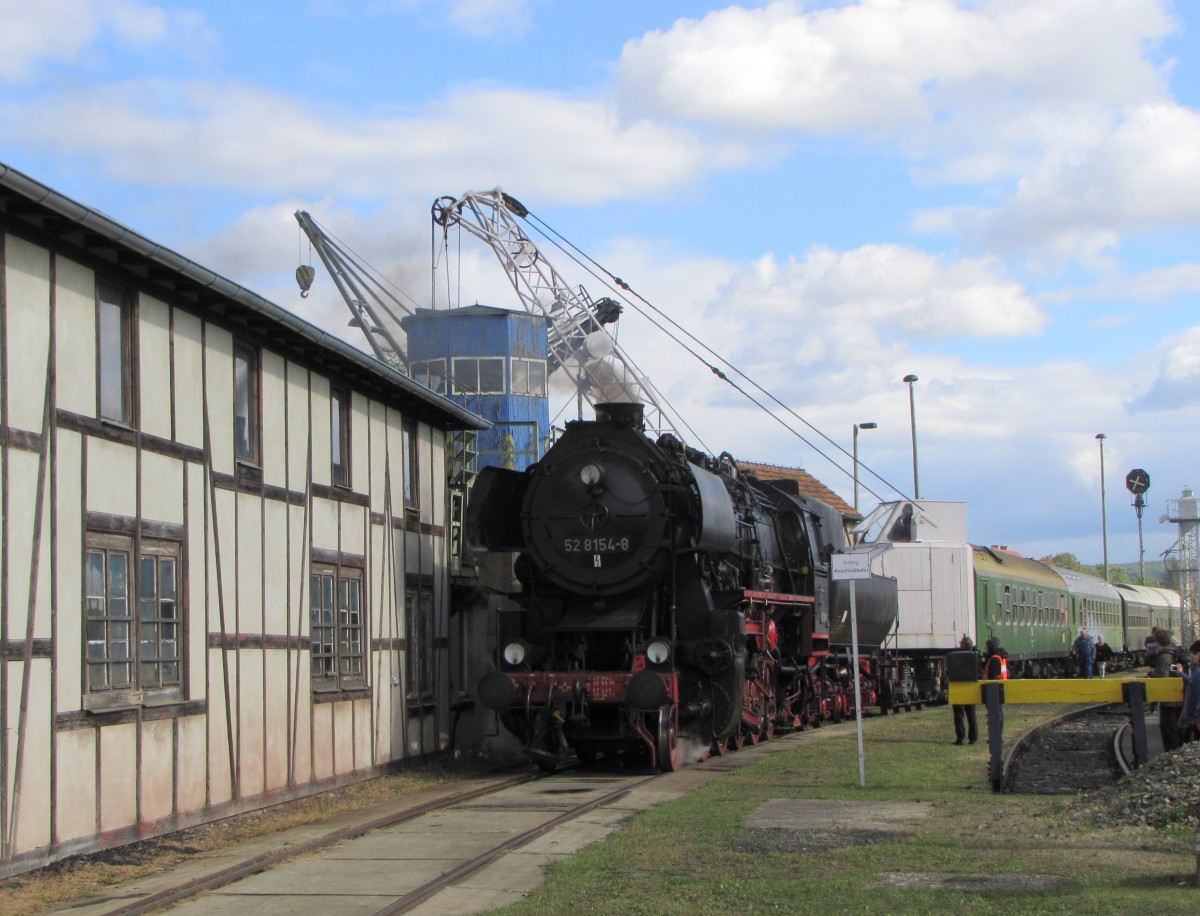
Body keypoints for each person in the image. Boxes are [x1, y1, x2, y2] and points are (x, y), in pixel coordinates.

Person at [1148, 630, 1184, 751]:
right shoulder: (1175, 653)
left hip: (1169, 702)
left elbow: (1161, 679)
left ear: (1158, 643)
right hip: (1178, 699)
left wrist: (1151, 676)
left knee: (1170, 732)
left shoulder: (1164, 656)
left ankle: (1173, 754)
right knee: (1177, 730)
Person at [952, 635, 979, 745]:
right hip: (971, 688)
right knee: (971, 714)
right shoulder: (975, 657)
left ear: (963, 645)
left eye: (961, 643)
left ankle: (960, 738)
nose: (959, 644)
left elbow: (953, 672)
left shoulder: (956, 656)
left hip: (959, 687)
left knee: (959, 714)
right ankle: (973, 738)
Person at [1181, 640, 1200, 745]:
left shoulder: (1198, 672)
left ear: (1198, 655)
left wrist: (1188, 717)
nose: (1192, 660)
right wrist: (1182, 674)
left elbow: (1194, 698)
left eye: (1193, 657)